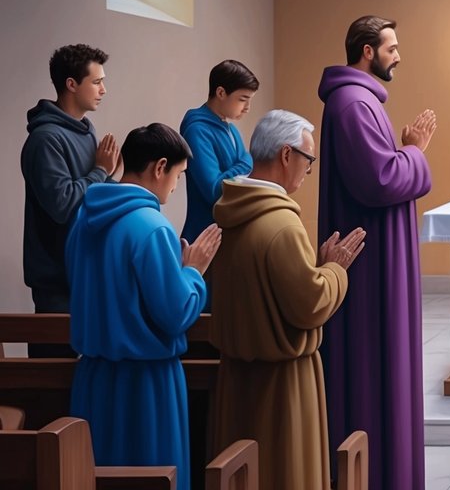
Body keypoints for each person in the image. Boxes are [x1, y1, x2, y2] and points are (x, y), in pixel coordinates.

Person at [211, 110, 365, 490]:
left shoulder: (231, 214)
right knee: (284, 473)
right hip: (283, 387)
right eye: (307, 160)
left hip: (236, 380)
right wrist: (334, 270)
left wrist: (314, 266)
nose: (307, 170)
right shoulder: (281, 225)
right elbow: (309, 304)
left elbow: (266, 290)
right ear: (286, 155)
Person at [65, 123, 220, 489]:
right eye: (178, 175)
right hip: (147, 386)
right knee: (155, 477)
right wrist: (194, 272)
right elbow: (175, 313)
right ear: (159, 166)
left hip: (93, 380)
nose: (175, 185)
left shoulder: (83, 221)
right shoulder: (153, 227)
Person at [318, 15, 434, 490]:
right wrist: (416, 151)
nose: (398, 55)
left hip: (380, 256)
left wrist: (405, 152)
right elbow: (380, 180)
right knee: (374, 365)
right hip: (372, 268)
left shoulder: (359, 101)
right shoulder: (352, 104)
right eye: (391, 47)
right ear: (367, 51)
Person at [22, 43, 119, 358]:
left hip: (85, 277)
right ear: (71, 84)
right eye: (96, 82)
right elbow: (64, 205)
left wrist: (116, 179)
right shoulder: (45, 139)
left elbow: (91, 192)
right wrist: (102, 171)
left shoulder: (84, 131)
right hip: (57, 286)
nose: (104, 89)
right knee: (52, 389)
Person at [181, 59, 259, 244]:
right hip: (204, 236)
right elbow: (214, 190)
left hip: (227, 234)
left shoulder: (231, 129)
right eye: (242, 99)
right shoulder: (196, 130)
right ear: (221, 92)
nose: (247, 108)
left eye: (250, 100)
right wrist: (246, 162)